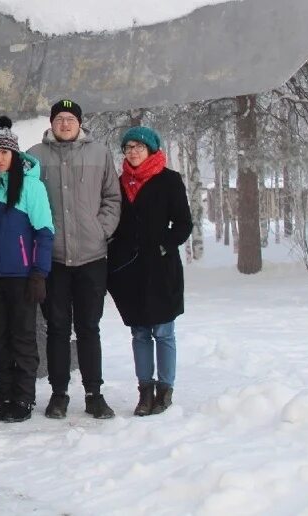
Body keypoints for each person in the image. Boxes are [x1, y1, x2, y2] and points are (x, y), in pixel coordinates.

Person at [27, 99, 122, 420]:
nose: (65, 124)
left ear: (80, 123)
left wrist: (101, 230)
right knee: (56, 328)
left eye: (70, 119)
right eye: (59, 119)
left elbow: (112, 196)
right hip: (52, 259)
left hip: (91, 256)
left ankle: (94, 394)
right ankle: (59, 394)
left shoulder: (100, 154)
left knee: (88, 327)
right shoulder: (35, 157)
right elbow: (27, 202)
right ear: (51, 123)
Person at [108, 126, 192, 417]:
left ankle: (165, 390)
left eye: (138, 147)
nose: (132, 152)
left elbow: (183, 224)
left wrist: (163, 246)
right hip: (129, 269)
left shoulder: (169, 181)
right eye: (128, 147)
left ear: (151, 150)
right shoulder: (118, 184)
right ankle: (145, 391)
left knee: (164, 331)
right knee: (140, 332)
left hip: (160, 267)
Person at [0, 120, 55, 423]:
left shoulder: (31, 186)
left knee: (22, 337)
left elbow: (45, 231)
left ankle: (24, 396)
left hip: (20, 276)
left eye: (5, 153)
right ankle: (6, 392)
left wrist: (39, 273)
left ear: (15, 154)